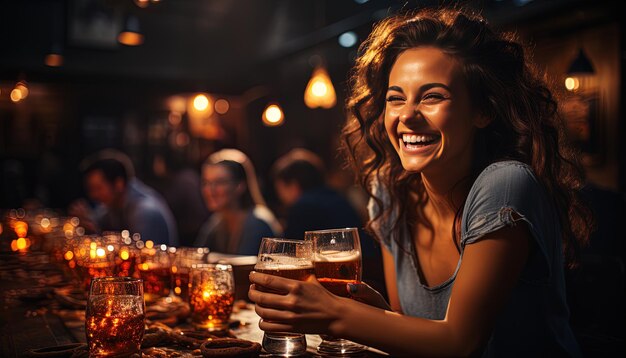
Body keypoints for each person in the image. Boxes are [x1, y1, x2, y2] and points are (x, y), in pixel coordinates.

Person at [248, 7, 593, 357]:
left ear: (483, 110)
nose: (407, 116)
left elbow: (459, 342)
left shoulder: (505, 184)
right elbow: (411, 331)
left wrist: (333, 313)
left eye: (432, 97)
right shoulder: (389, 192)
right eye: (395, 98)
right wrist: (368, 307)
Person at [70, 149, 179, 247]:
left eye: (98, 188)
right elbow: (98, 221)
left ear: (119, 184)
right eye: (91, 189)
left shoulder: (144, 211)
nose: (94, 195)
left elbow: (140, 254)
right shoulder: (113, 204)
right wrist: (87, 221)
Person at [194, 149, 281, 255]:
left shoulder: (257, 223)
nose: (210, 190)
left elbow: (242, 269)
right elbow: (197, 258)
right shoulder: (216, 223)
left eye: (220, 182)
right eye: (206, 182)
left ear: (240, 186)